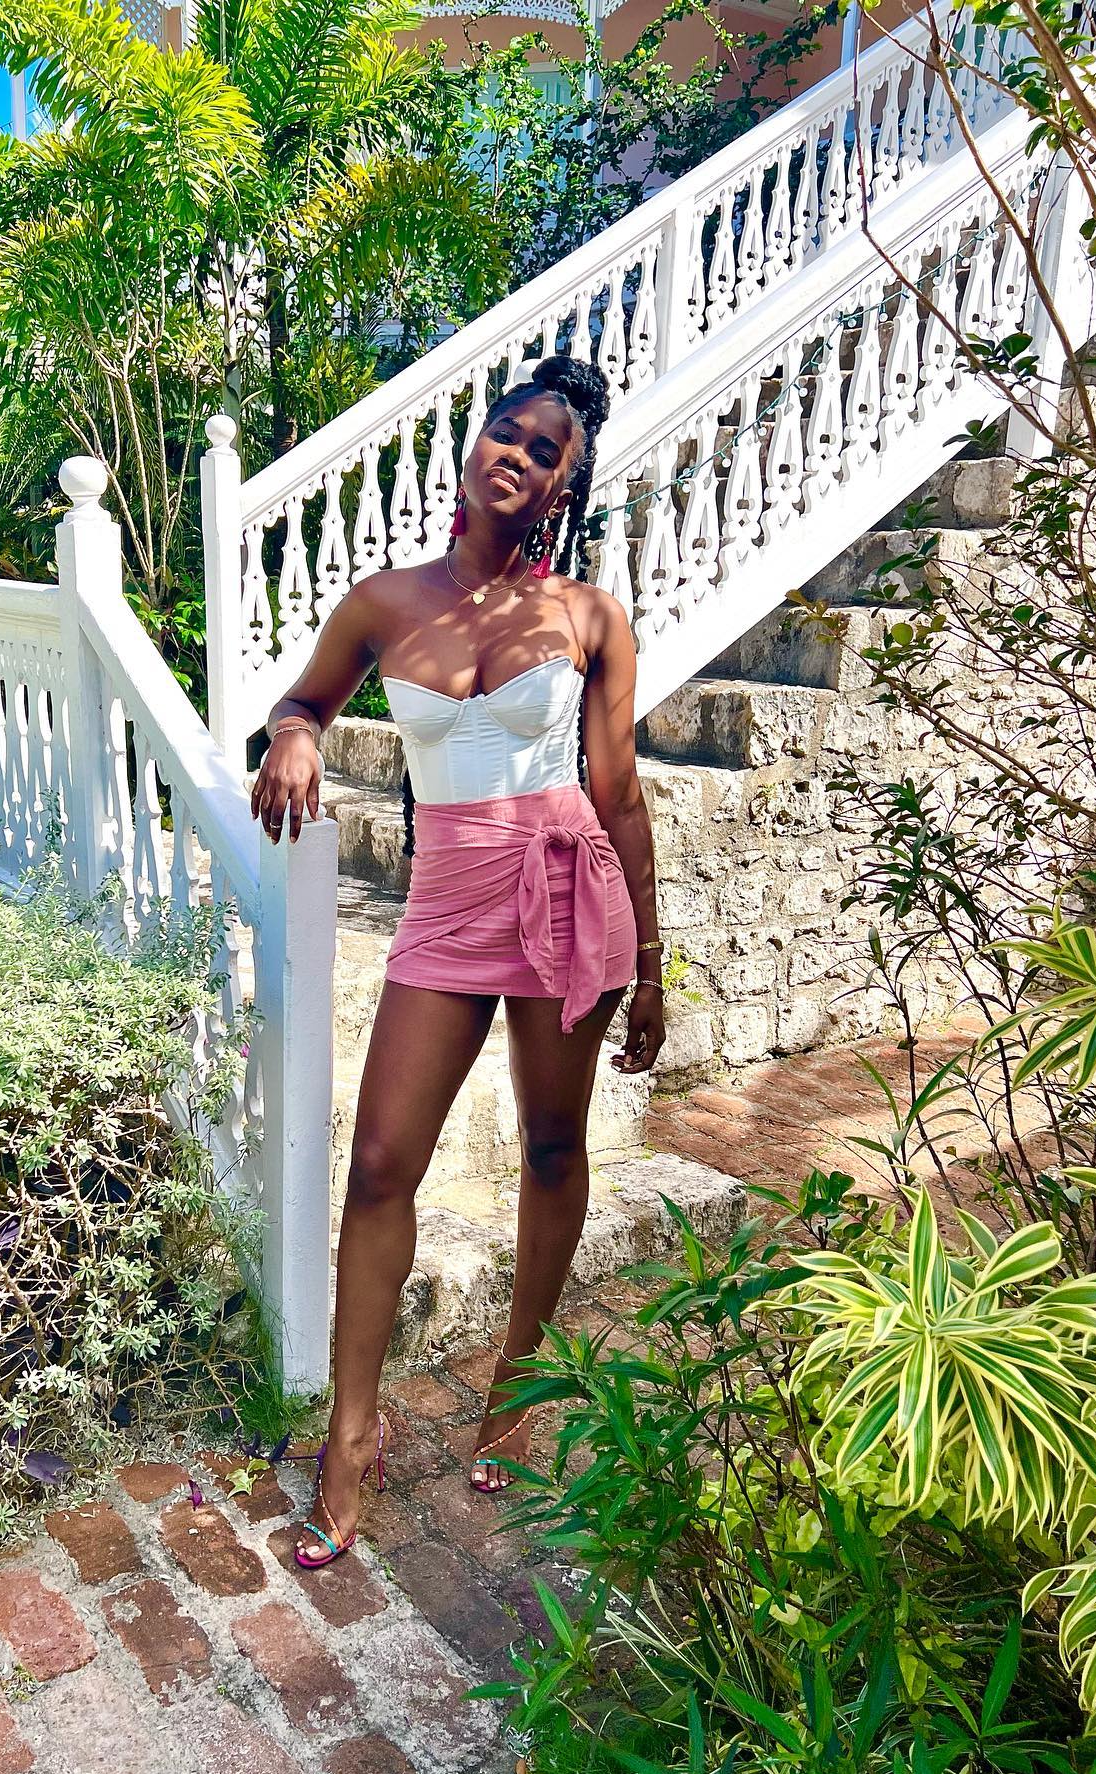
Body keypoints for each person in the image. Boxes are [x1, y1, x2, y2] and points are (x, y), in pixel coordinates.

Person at [248, 354, 666, 1570]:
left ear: (562, 490)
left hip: (565, 886)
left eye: (546, 453)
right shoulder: (384, 602)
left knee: (553, 1146)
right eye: (508, 433)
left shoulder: (588, 617)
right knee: (382, 1164)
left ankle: (516, 1390)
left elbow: (619, 791)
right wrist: (292, 737)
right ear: (473, 444)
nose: (517, 457)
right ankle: (351, 1435)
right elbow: (304, 699)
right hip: (447, 897)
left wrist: (652, 962)